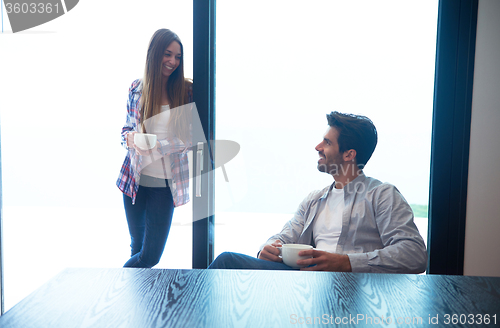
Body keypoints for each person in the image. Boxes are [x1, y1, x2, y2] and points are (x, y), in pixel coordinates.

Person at [208, 111, 427, 273]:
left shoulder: (382, 194)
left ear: (349, 154)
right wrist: (268, 248)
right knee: (228, 263)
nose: (317, 147)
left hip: (357, 286)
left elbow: (415, 254)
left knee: (227, 261)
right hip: (306, 280)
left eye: (327, 142)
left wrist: (346, 262)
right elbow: (284, 237)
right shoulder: (315, 200)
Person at [116, 29, 193, 268]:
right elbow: (125, 130)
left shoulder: (186, 91)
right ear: (154, 54)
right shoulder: (136, 88)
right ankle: (136, 304)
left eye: (177, 57)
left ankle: (114, 287)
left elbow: (190, 140)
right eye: (167, 54)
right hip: (134, 181)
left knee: (150, 257)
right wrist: (131, 139)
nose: (172, 61)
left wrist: (157, 146)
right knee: (136, 246)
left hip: (164, 186)